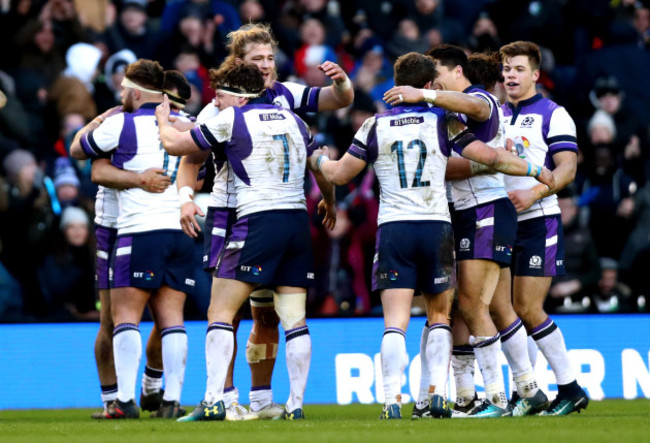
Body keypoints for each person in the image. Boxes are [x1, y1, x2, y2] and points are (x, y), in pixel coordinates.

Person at [316, 52, 554, 420]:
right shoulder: (443, 121)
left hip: (394, 227)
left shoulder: (373, 127)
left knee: (395, 321)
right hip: (438, 227)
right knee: (441, 315)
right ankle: (437, 397)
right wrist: (534, 168)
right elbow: (487, 157)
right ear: (428, 85)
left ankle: (392, 402)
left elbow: (339, 175)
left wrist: (318, 161)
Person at [174, 22, 352, 420]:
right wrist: (185, 199)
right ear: (240, 63)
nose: (267, 65)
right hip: (231, 213)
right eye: (258, 59)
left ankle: (258, 399)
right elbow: (189, 159)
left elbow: (338, 100)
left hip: (265, 215)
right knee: (233, 312)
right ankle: (225, 395)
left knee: (265, 314)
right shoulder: (219, 107)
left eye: (271, 57)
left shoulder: (286, 95)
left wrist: (343, 84)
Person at [384, 45, 547, 418]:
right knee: (496, 308)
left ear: (457, 71)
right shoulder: (449, 113)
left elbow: (475, 127)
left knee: (473, 305)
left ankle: (497, 399)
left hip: (484, 210)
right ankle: (525, 389)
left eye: (438, 74)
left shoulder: (478, 99)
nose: (433, 82)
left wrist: (423, 94)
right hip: (472, 211)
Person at [70, 59, 194, 419]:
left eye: (124, 90)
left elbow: (79, 151)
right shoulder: (187, 128)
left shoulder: (120, 124)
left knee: (123, 317)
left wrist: (100, 121)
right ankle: (161, 398)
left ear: (135, 92)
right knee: (163, 318)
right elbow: (98, 171)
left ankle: (125, 400)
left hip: (135, 228)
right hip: (172, 226)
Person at [499, 40, 589, 416]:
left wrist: (535, 192)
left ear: (535, 74)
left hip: (539, 220)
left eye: (518, 69)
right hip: (501, 222)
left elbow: (567, 167)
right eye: (506, 69)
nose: (510, 76)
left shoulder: (554, 114)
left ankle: (570, 388)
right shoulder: (496, 113)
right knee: (506, 310)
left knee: (527, 306)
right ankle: (528, 388)